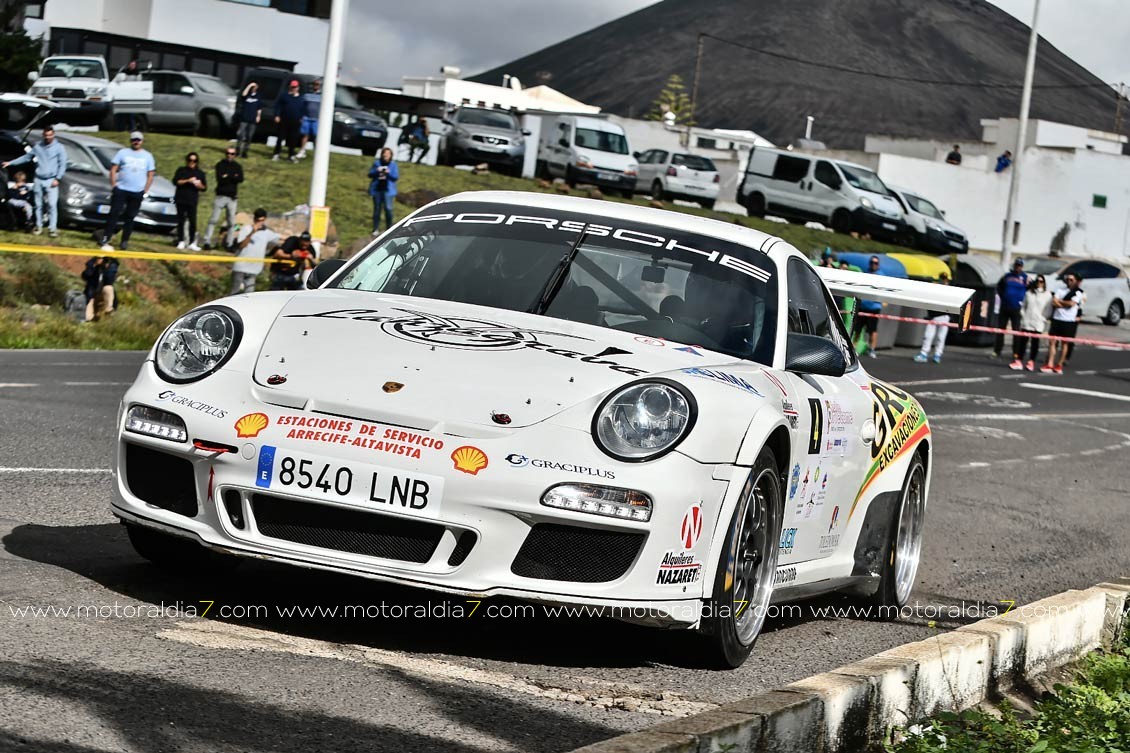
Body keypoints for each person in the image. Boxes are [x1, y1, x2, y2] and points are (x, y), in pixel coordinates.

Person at [2, 125, 67, 238]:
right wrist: (11, 163)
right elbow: (26, 157)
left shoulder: (59, 148)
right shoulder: (38, 147)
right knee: (38, 204)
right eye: (46, 135)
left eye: (50, 135)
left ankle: (52, 228)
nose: (48, 137)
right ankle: (38, 226)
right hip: (39, 179)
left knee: (52, 205)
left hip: (51, 180)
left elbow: (63, 164)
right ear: (43, 135)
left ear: (53, 134)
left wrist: (58, 178)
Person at [99, 131, 155, 251]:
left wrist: (145, 190)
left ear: (142, 141)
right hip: (121, 189)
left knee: (130, 217)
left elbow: (150, 174)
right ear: (130, 141)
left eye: (138, 140)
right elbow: (113, 169)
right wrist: (114, 185)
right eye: (134, 139)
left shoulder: (147, 156)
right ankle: (106, 237)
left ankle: (124, 241)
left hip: (137, 191)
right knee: (114, 213)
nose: (136, 142)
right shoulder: (123, 153)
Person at [201, 147, 244, 250]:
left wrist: (228, 176)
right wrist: (233, 176)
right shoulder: (220, 164)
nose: (230, 155)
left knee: (231, 222)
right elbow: (220, 179)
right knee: (213, 220)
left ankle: (229, 244)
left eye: (232, 154)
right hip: (220, 196)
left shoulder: (237, 166)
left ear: (235, 155)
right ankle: (207, 241)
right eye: (228, 153)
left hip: (232, 197)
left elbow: (240, 179)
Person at [1042, 273, 1085, 374]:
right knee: (1052, 342)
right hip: (1057, 319)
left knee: (1065, 344)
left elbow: (1071, 304)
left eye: (1071, 280)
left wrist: (1060, 302)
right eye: (1068, 279)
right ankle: (1050, 363)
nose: (1069, 281)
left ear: (1075, 281)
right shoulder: (1060, 290)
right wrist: (1062, 303)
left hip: (1068, 321)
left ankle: (1059, 364)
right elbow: (1054, 302)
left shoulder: (1078, 292)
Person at [231, 207, 280, 294]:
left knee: (249, 295)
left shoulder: (267, 232)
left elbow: (279, 240)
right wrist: (252, 232)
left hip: (254, 269)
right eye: (258, 220)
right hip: (240, 267)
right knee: (234, 293)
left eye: (261, 220)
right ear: (254, 219)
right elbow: (242, 245)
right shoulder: (246, 229)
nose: (259, 223)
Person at [1013, 274, 1052, 371]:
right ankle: (1019, 360)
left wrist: (1043, 318)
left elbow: (1048, 309)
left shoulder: (1047, 295)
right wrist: (1023, 315)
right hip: (1027, 321)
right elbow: (1023, 306)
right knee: (1023, 342)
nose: (1039, 283)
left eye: (1041, 281)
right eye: (1038, 281)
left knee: (1035, 343)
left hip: (1038, 322)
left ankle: (1031, 361)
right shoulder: (1029, 293)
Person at [992, 258, 1028, 359]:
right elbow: (999, 287)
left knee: (1016, 331)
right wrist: (1003, 296)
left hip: (1017, 308)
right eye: (1016, 265)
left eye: (1019, 265)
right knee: (1001, 330)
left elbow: (1029, 290)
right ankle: (997, 351)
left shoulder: (1025, 278)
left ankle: (1016, 352)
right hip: (1005, 307)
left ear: (1022, 267)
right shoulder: (1007, 276)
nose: (1017, 267)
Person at [914, 272, 952, 364]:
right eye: (942, 279)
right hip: (934, 316)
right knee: (928, 336)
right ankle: (924, 354)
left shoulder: (950, 290)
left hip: (944, 316)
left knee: (940, 337)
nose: (944, 281)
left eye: (945, 279)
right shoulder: (935, 288)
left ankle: (937, 355)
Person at [851, 255, 884, 358]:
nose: (873, 265)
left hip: (874, 308)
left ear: (878, 265)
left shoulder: (881, 276)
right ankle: (853, 349)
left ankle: (872, 349)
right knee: (858, 330)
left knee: (872, 330)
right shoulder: (866, 274)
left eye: (876, 263)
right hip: (863, 306)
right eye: (872, 263)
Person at [172, 152, 206, 250]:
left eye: (194, 161)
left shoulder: (200, 173)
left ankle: (192, 242)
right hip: (181, 198)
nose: (192, 162)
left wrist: (199, 185)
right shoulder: (181, 170)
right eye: (190, 160)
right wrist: (188, 181)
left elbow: (204, 187)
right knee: (181, 221)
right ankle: (181, 241)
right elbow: (176, 181)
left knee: (193, 222)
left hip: (192, 200)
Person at [272, 79, 306, 162]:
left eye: (295, 87)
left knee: (293, 139)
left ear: (298, 87)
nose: (294, 88)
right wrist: (277, 115)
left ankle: (291, 155)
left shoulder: (301, 98)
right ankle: (276, 154)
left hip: (295, 121)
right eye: (292, 87)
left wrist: (302, 118)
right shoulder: (284, 96)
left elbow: (303, 109)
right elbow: (277, 106)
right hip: (284, 119)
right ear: (290, 87)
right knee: (280, 137)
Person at [368, 146, 399, 233]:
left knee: (388, 209)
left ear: (391, 155)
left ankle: (389, 229)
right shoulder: (377, 163)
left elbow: (395, 177)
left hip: (388, 191)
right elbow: (370, 174)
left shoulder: (393, 165)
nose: (386, 155)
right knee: (377, 209)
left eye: (388, 154)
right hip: (377, 189)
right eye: (384, 154)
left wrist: (388, 173)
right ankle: (375, 229)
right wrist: (376, 171)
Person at [81, 256, 118, 322]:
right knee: (88, 318)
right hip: (91, 296)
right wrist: (94, 265)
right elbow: (86, 275)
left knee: (108, 288)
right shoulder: (92, 264)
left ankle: (108, 310)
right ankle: (94, 316)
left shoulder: (111, 266)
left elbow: (109, 281)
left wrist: (107, 268)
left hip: (103, 296)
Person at [235, 82, 262, 158]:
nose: (254, 88)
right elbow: (243, 94)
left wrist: (258, 116)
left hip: (252, 119)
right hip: (244, 118)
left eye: (255, 87)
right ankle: (238, 150)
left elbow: (259, 108)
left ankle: (245, 151)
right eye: (252, 87)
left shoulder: (258, 97)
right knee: (240, 135)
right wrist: (249, 85)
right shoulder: (246, 96)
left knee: (249, 136)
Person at [298, 79, 321, 159]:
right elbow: (301, 106)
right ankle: (302, 150)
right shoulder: (307, 94)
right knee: (305, 134)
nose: (316, 86)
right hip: (306, 117)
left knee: (316, 136)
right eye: (314, 84)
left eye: (317, 84)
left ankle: (317, 153)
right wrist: (301, 116)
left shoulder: (323, 95)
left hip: (317, 119)